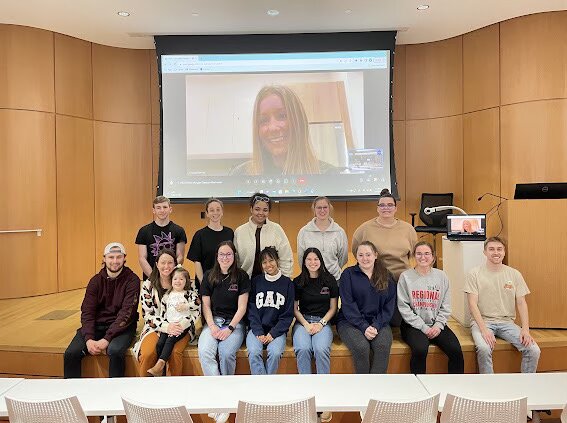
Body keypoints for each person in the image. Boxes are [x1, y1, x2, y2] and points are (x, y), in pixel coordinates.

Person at [464, 236, 540, 374]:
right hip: (483, 322)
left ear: (504, 252)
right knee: (484, 348)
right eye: (491, 249)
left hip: (507, 323)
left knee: (533, 350)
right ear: (485, 252)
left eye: (499, 249)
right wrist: (484, 330)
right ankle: (490, 387)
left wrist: (525, 329)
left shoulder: (514, 274)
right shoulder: (474, 273)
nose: (496, 252)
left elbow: (522, 303)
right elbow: (472, 304)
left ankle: (528, 386)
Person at [64, 243, 140, 378]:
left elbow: (127, 313)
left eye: (119, 257)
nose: (115, 261)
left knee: (115, 351)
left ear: (124, 258)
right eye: (111, 257)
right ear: (104, 258)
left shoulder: (132, 280)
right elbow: (87, 312)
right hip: (97, 325)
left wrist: (107, 339)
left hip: (122, 327)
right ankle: (73, 392)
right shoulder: (95, 281)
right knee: (71, 353)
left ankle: (115, 393)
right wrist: (88, 339)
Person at [198, 241, 250, 423]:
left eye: (229, 254)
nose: (225, 257)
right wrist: (212, 326)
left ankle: (225, 401)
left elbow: (242, 307)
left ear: (234, 256)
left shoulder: (242, 276)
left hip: (234, 323)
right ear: (217, 257)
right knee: (205, 351)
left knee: (226, 352)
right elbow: (205, 305)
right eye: (222, 254)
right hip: (214, 321)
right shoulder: (209, 276)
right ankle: (219, 399)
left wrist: (230, 328)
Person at [230, 85, 335, 175]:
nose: (273, 127)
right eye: (263, 120)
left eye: (282, 116)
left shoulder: (329, 174)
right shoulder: (239, 175)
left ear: (299, 121)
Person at [352, 188, 417, 325]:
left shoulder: (408, 229)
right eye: (382, 205)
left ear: (395, 208)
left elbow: (413, 254)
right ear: (377, 208)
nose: (385, 208)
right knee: (385, 320)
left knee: (397, 322)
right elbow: (356, 251)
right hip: (376, 282)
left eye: (390, 205)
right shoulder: (364, 228)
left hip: (401, 282)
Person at [397, 241, 464, 374]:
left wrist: (438, 325)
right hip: (413, 326)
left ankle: (456, 387)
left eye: (427, 253)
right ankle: (419, 388)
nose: (423, 257)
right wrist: (424, 327)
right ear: (414, 256)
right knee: (420, 349)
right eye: (419, 254)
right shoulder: (406, 277)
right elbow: (403, 307)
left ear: (433, 256)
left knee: (455, 350)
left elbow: (446, 306)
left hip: (436, 324)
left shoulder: (441, 276)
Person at [133, 249, 196, 376]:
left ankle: (173, 391)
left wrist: (179, 326)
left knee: (174, 352)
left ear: (175, 264)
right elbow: (147, 315)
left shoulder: (186, 282)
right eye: (163, 263)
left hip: (182, 327)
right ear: (156, 264)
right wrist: (167, 327)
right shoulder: (148, 285)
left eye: (170, 263)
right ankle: (145, 388)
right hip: (155, 328)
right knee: (148, 353)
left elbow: (195, 310)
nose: (166, 266)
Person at [337, 241, 396, 374]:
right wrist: (364, 326)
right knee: (361, 347)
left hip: (379, 322)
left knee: (382, 346)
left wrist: (376, 325)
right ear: (356, 257)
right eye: (361, 255)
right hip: (350, 322)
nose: (365, 258)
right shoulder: (348, 275)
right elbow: (348, 305)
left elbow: (389, 306)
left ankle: (375, 388)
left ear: (375, 255)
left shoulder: (386, 275)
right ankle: (363, 388)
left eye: (368, 254)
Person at [246, 246, 294, 375]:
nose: (268, 265)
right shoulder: (256, 282)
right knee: (254, 352)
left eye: (271, 260)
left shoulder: (288, 283)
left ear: (277, 260)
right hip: (257, 330)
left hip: (277, 331)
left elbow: (288, 315)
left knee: (275, 352)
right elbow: (252, 310)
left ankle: (269, 384)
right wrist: (259, 332)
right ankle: (262, 387)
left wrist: (273, 333)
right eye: (264, 262)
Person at [147, 266, 200, 377]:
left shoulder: (189, 293)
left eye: (181, 279)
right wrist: (165, 326)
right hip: (169, 325)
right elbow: (163, 313)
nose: (178, 281)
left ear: (186, 281)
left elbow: (197, 303)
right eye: (175, 279)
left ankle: (160, 364)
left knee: (170, 340)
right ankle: (161, 372)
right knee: (161, 342)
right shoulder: (167, 295)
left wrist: (186, 306)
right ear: (171, 281)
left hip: (182, 325)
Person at [234, 192, 293, 278]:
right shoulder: (239, 231)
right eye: (257, 209)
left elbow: (286, 258)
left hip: (272, 281)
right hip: (246, 282)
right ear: (251, 209)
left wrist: (285, 280)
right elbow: (236, 260)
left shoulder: (276, 229)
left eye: (265, 210)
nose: (261, 213)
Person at [187, 198, 234, 292]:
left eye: (218, 209)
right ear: (207, 213)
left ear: (222, 212)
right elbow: (197, 262)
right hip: (206, 282)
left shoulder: (230, 233)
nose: (215, 213)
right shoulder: (200, 235)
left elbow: (233, 257)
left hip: (226, 283)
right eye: (211, 210)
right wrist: (203, 283)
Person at [136, 195, 187, 279]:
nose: (162, 210)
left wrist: (168, 275)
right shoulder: (144, 231)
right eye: (158, 207)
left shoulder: (179, 230)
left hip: (172, 278)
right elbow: (142, 258)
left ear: (170, 209)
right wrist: (154, 277)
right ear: (154, 210)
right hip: (151, 278)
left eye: (165, 207)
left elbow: (180, 257)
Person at [297, 196, 348, 281]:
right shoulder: (304, 232)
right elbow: (301, 257)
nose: (322, 210)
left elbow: (343, 257)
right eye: (319, 207)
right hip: (311, 279)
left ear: (329, 208)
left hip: (334, 279)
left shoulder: (339, 232)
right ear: (314, 209)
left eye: (325, 207)